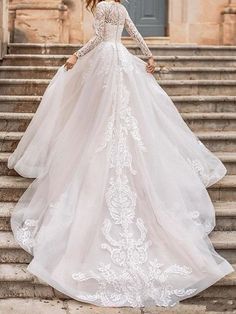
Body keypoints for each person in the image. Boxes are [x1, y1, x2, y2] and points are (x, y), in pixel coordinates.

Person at [8, 0, 234, 308]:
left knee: (97, 112)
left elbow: (99, 38)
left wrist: (76, 54)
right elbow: (136, 34)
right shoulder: (121, 7)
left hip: (104, 60)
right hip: (123, 61)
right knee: (126, 113)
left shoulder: (102, 7)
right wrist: (150, 56)